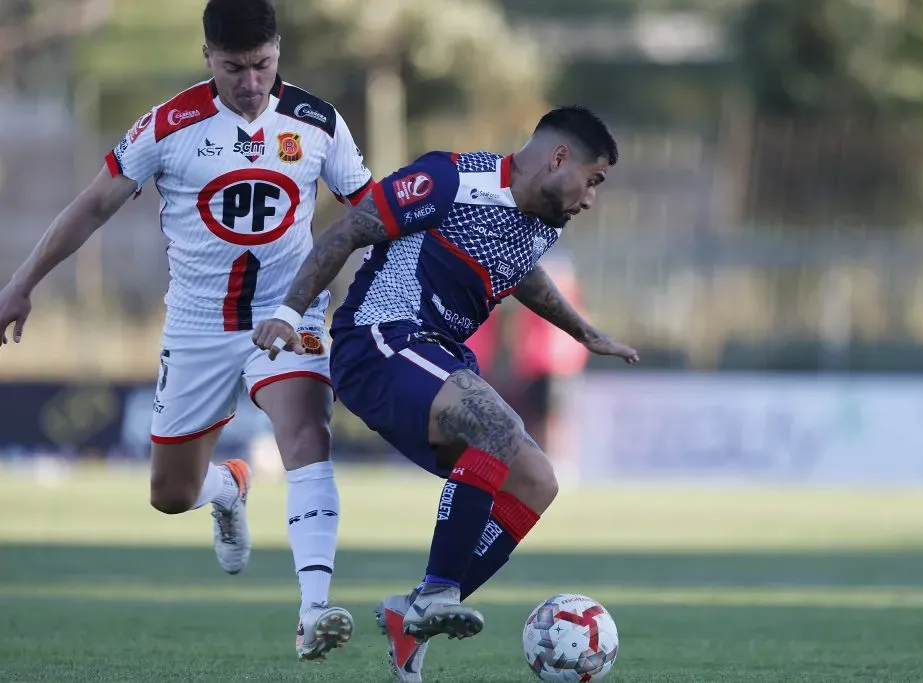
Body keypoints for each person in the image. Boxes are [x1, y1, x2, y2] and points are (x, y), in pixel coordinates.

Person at [0, 0, 373, 662]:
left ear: (278, 52)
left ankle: (314, 608)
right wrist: (22, 283)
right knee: (170, 494)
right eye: (234, 68)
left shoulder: (317, 123)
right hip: (198, 326)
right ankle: (229, 485)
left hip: (290, 314)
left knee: (307, 432)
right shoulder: (168, 126)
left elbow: (370, 214)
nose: (251, 83)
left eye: (262, 65)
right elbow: (92, 205)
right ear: (208, 59)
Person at [252, 105, 639, 682]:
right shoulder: (450, 179)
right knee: (500, 429)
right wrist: (288, 311)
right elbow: (348, 229)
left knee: (538, 480)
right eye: (593, 180)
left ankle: (411, 617)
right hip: (379, 339)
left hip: (439, 356)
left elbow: (521, 269)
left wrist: (584, 331)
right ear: (559, 158)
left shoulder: (542, 220)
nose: (589, 199)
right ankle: (436, 595)